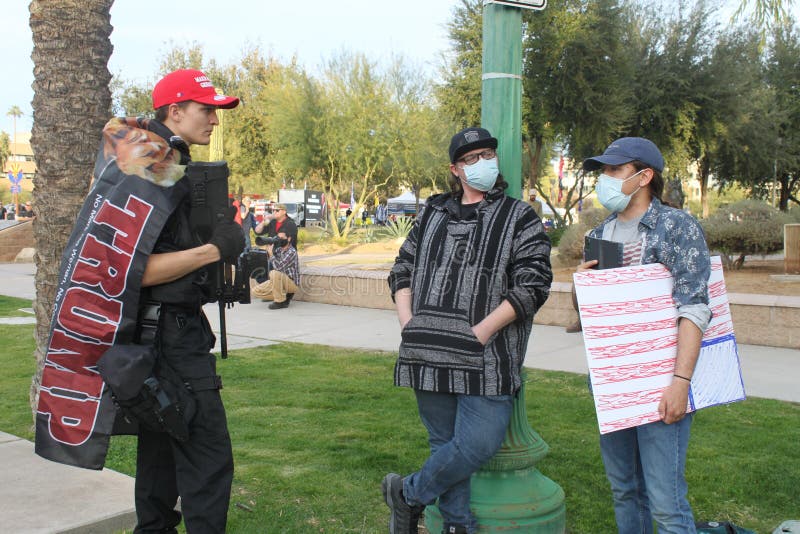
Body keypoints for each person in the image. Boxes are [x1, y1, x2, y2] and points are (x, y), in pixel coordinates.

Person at [383, 127, 552, 534]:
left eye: (488, 154)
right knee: (443, 444)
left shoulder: (519, 216)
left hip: (487, 357)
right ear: (455, 169)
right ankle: (457, 525)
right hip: (426, 351)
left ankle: (407, 494)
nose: (483, 164)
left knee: (476, 444)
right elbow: (401, 269)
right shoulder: (431, 213)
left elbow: (533, 284)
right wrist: (408, 323)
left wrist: (479, 332)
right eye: (472, 158)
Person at [112, 69, 242, 533]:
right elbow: (134, 269)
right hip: (171, 338)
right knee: (208, 461)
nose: (214, 120)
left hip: (156, 334)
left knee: (161, 460)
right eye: (206, 109)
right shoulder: (152, 169)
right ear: (175, 111)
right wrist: (215, 249)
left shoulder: (155, 162)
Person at [579, 137, 711, 533]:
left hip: (661, 384)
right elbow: (593, 317)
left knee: (666, 503)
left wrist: (680, 382)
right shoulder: (601, 232)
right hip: (613, 386)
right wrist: (581, 288)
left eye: (614, 171)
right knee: (625, 491)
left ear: (644, 176)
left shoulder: (677, 227)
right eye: (602, 171)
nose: (604, 179)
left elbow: (694, 308)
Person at [251, 231, 300, 308]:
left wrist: (271, 254)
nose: (279, 240)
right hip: (278, 281)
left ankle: (280, 302)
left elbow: (279, 267)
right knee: (255, 291)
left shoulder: (292, 252)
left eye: (282, 238)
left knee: (274, 273)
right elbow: (269, 258)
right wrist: (269, 244)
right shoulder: (279, 250)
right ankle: (284, 296)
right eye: (278, 238)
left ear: (289, 239)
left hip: (291, 283)